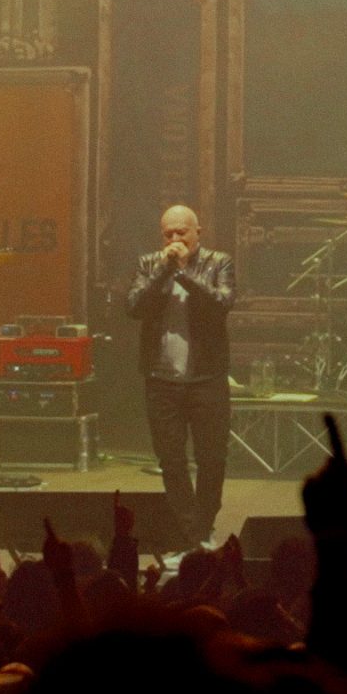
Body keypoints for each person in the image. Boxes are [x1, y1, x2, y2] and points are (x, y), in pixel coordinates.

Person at [125, 205, 236, 548]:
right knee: (171, 460)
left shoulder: (219, 262)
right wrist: (165, 270)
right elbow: (134, 306)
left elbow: (221, 304)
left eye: (181, 232)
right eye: (168, 234)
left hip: (207, 378)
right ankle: (192, 535)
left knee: (211, 459)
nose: (175, 239)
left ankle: (203, 527)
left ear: (197, 232)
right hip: (162, 379)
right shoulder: (150, 264)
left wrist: (185, 272)